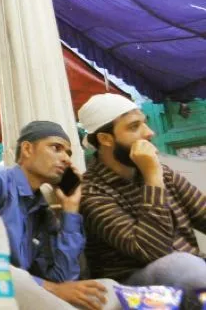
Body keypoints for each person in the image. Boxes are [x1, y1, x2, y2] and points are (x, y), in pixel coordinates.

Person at [0, 121, 120, 310]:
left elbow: (62, 279)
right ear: (27, 149)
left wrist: (70, 210)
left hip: (26, 295)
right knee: (12, 276)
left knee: (109, 288)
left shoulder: (41, 210)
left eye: (68, 153)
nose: (66, 158)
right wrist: (52, 289)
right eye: (56, 148)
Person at [78, 93, 206, 305]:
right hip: (134, 288)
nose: (149, 133)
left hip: (193, 275)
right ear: (106, 139)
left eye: (144, 124)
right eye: (134, 127)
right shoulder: (92, 192)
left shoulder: (163, 173)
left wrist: (155, 174)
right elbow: (153, 251)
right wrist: (152, 177)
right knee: (180, 264)